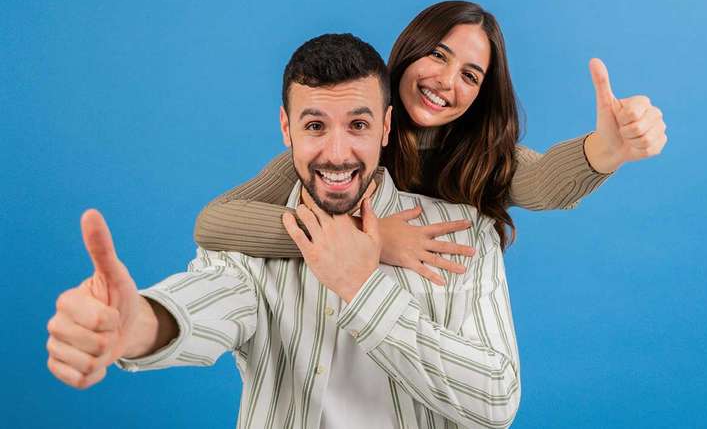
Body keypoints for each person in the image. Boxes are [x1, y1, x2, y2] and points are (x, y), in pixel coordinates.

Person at [46, 34, 520, 428]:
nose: (337, 153)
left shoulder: (466, 235)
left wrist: (362, 288)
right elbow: (209, 302)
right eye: (315, 125)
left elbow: (497, 400)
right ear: (286, 128)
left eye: (358, 124)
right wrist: (139, 324)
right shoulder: (249, 243)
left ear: (386, 127)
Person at [193, 0, 667, 286]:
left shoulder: (482, 160)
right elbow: (216, 220)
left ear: (481, 95)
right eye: (438, 55)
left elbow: (543, 182)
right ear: (410, 48)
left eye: (470, 75)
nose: (445, 81)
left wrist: (606, 149)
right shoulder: (345, 148)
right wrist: (369, 240)